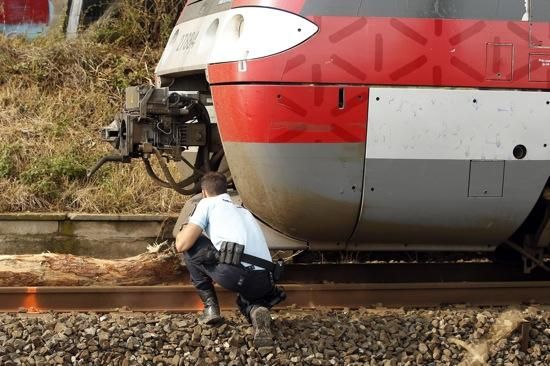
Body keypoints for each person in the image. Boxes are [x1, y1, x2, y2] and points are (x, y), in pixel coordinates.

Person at [174, 172, 285, 347]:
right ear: (226, 191)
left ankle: (211, 309)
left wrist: (184, 229)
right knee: (249, 300)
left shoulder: (207, 204)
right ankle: (257, 313)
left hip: (236, 275)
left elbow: (181, 245)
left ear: (204, 192)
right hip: (266, 279)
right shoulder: (243, 210)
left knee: (192, 246)